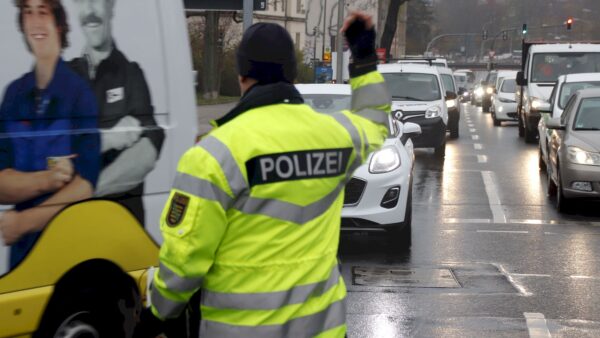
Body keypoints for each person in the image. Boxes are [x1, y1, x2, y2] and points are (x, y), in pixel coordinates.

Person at [142, 12, 391, 337]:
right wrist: (363, 57)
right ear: (290, 71)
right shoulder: (337, 138)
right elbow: (374, 119)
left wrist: (157, 314)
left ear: (242, 74)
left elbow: (185, 261)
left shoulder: (214, 155)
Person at [0, 0, 100, 269]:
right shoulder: (13, 95)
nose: (34, 21)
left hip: (66, 247)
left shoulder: (80, 94)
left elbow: (85, 185)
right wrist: (47, 180)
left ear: (58, 24)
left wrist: (22, 221)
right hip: (21, 257)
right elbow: (1, 183)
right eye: (27, 12)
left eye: (42, 12)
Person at [70, 0, 165, 225]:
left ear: (111, 7)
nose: (90, 11)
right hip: (66, 225)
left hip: (122, 224)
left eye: (97, 1)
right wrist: (109, 138)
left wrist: (83, 189)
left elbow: (148, 147)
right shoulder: (64, 74)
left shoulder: (132, 75)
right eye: (82, 2)